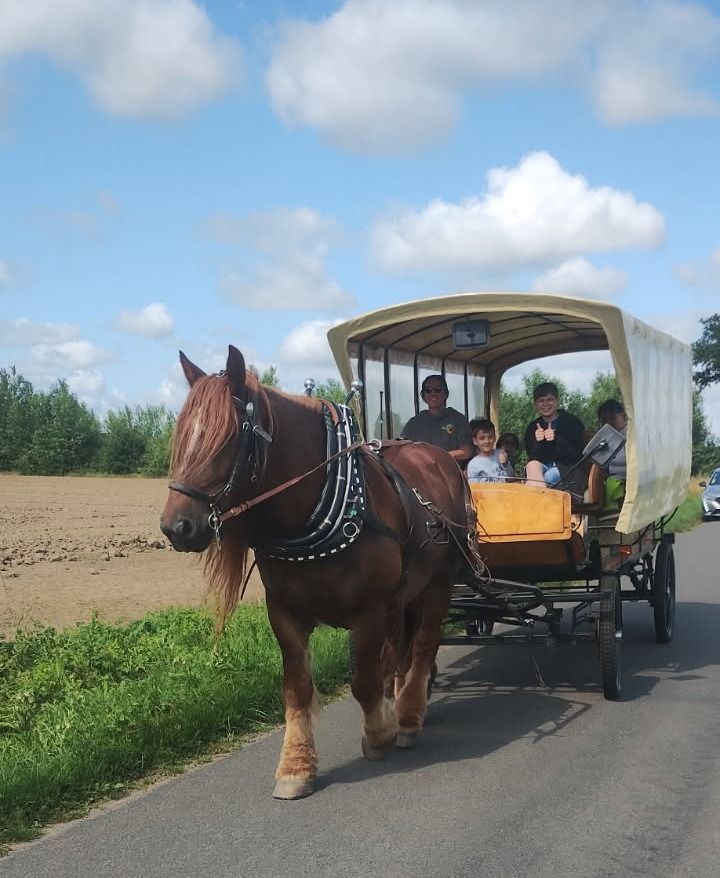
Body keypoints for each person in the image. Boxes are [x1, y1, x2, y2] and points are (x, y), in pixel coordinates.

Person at [401, 374, 473, 464]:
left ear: (446, 394)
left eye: (438, 390)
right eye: (428, 391)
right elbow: (402, 450)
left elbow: (467, 451)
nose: (433, 394)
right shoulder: (414, 423)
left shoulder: (458, 419)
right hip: (421, 470)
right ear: (423, 396)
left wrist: (440, 457)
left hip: (450, 470)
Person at [524, 381, 585, 489]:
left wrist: (556, 439)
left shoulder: (572, 422)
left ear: (557, 401)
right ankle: (538, 496)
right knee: (531, 465)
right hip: (543, 467)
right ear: (535, 404)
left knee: (549, 476)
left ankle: (539, 496)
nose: (545, 404)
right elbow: (533, 456)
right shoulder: (533, 427)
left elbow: (576, 454)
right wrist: (537, 442)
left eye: (549, 399)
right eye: (541, 401)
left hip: (569, 469)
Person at [597, 398, 627, 507]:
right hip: (610, 483)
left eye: (612, 418)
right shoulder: (604, 438)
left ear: (623, 415)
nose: (609, 422)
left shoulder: (632, 434)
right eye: (604, 420)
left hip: (629, 482)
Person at [467, 419, 514, 483]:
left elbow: (511, 479)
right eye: (482, 438)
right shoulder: (473, 464)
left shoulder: (501, 454)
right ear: (475, 441)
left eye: (490, 437)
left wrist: (505, 464)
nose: (487, 441)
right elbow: (473, 486)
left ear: (495, 438)